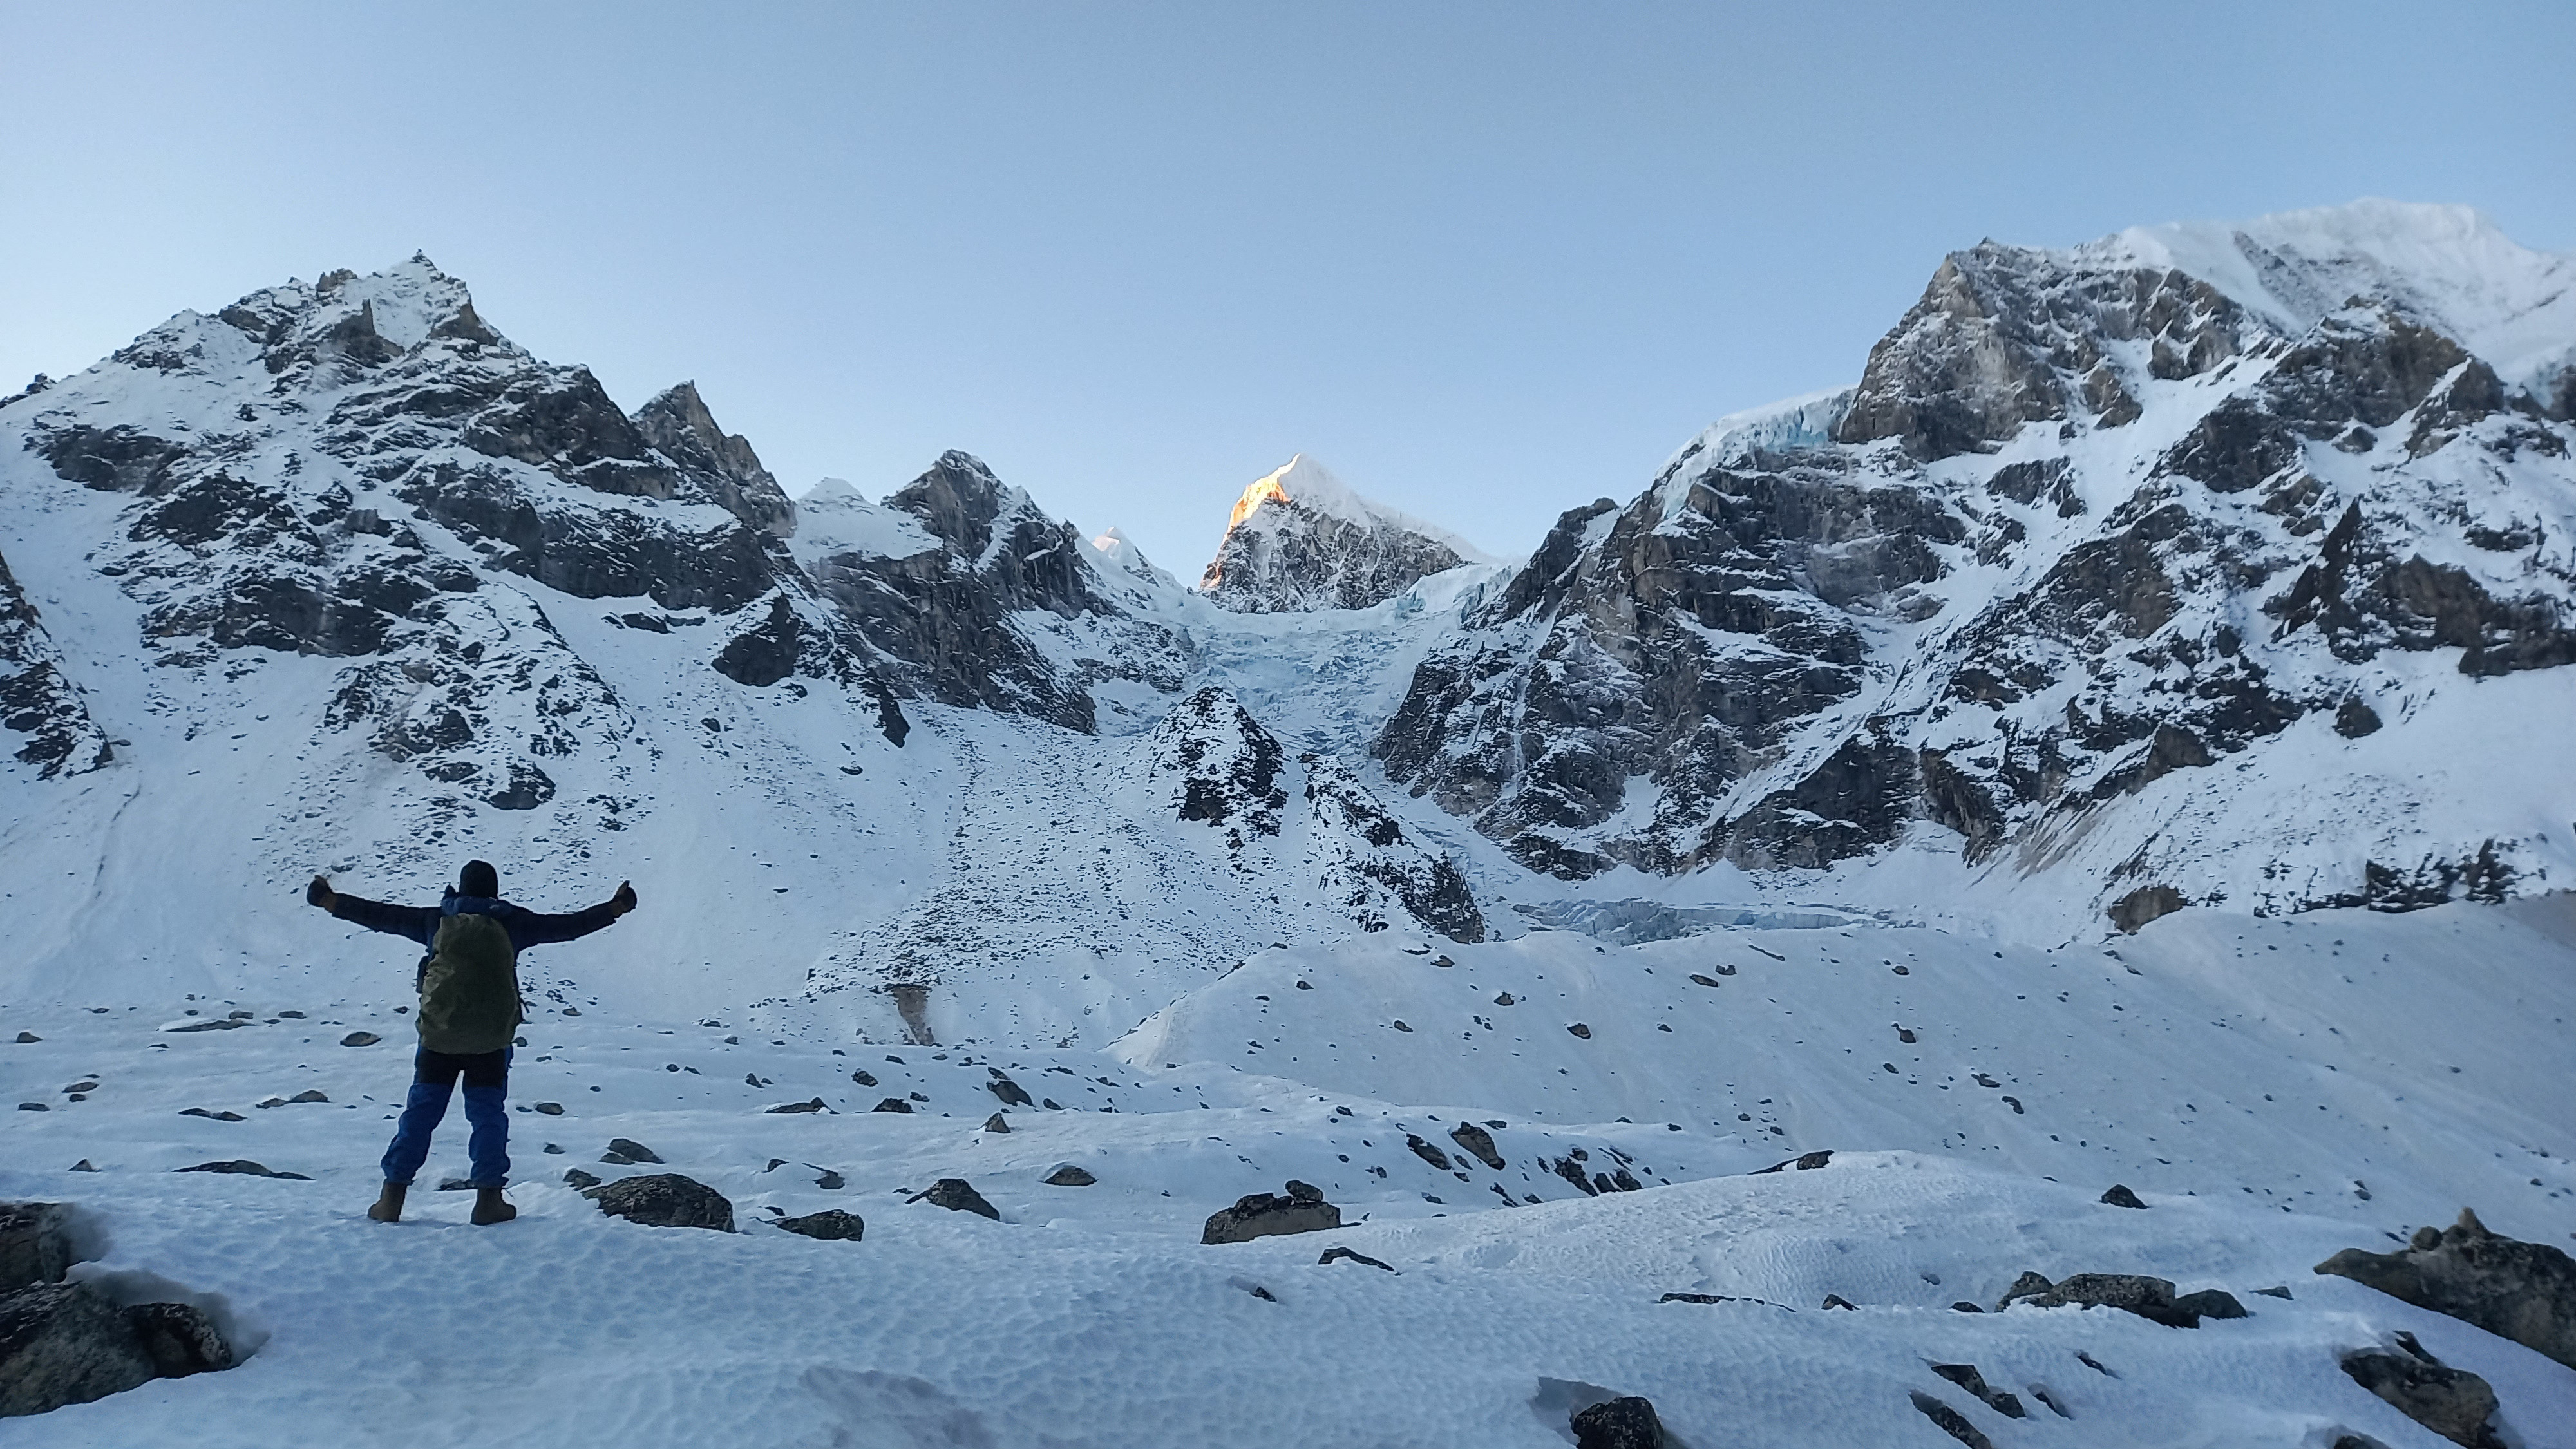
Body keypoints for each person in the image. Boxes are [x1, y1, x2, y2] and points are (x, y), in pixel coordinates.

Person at [305, 859, 637, 1225]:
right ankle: (488, 1201)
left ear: (460, 890)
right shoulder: (513, 923)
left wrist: (329, 901)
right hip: (490, 1042)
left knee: (421, 1114)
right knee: (487, 1116)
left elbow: (382, 916)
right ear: (494, 891)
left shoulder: (436, 922)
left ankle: (391, 1201)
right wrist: (616, 908)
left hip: (439, 1038)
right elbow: (568, 927)